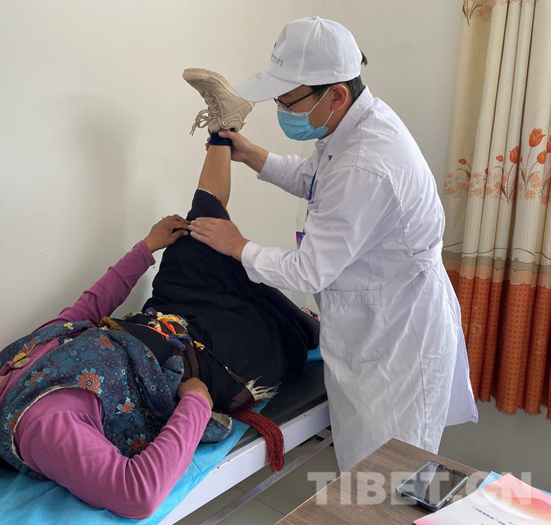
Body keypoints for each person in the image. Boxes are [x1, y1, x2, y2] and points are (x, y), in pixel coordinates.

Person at [0, 71, 319, 520]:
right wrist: (197, 403)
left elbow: (82, 312)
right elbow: (137, 494)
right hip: (204, 362)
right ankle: (305, 322)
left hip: (164, 318)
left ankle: (224, 125)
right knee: (276, 321)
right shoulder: (37, 428)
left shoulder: (5, 369)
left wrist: (146, 248)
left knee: (194, 230)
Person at [187, 17, 478, 473]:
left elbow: (308, 270)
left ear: (336, 94)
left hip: (396, 344)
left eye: (288, 101)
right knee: (365, 480)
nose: (282, 110)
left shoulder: (367, 162)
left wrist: (238, 246)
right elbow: (317, 178)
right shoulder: (352, 123)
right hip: (374, 324)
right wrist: (254, 156)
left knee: (386, 486)